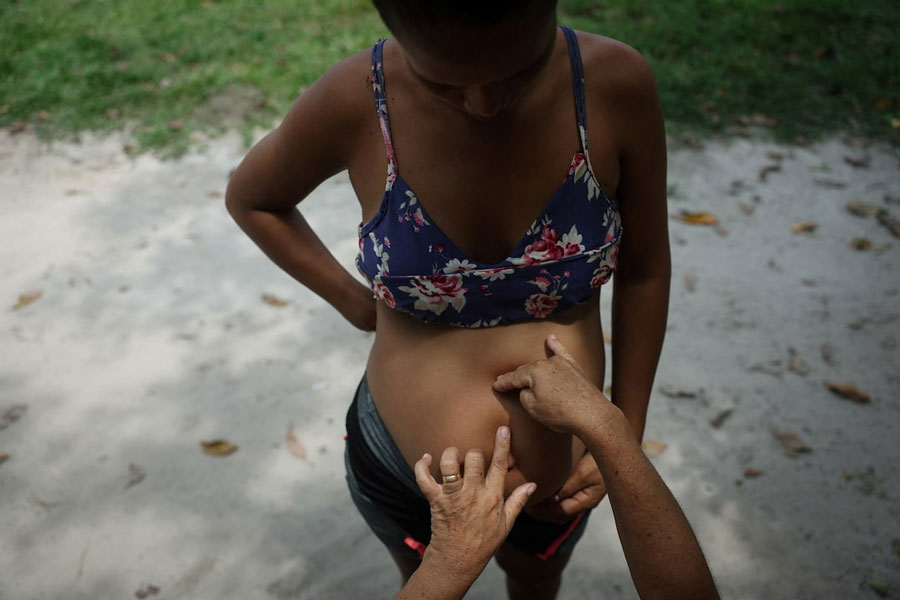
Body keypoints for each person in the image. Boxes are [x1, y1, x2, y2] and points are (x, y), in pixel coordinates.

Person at [224, 1, 669, 597]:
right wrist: (356, 305)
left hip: (559, 483)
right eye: (443, 84)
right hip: (404, 473)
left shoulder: (614, 85)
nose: (484, 104)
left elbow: (643, 271)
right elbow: (253, 199)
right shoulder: (357, 98)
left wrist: (624, 430)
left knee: (537, 579)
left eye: (520, 71)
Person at [396, 335, 719, 600]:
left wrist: (617, 435)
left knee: (535, 582)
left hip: (557, 492)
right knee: (413, 567)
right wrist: (446, 567)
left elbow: (644, 271)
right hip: (397, 467)